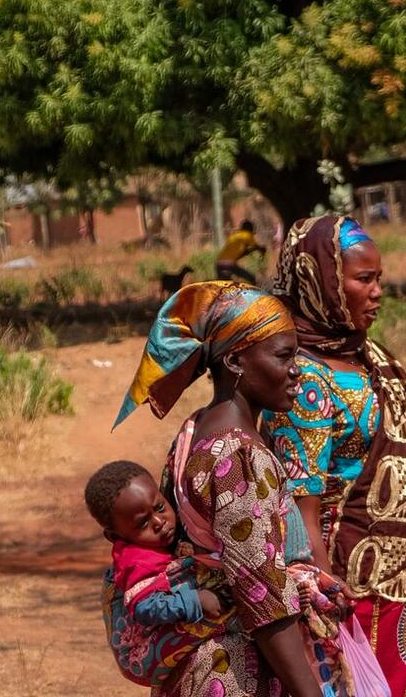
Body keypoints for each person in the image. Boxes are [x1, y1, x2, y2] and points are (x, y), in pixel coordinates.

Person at [264, 214, 406, 697]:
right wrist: (325, 599)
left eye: (380, 279)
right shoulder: (302, 378)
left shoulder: (373, 357)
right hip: (351, 585)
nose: (377, 292)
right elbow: (301, 503)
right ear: (322, 282)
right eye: (363, 279)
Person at [113, 281, 323, 697]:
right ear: (236, 361)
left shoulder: (195, 431)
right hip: (235, 671)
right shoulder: (239, 459)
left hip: (199, 664)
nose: (297, 370)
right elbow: (261, 596)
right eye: (283, 356)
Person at [87, 460, 231, 688]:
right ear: (115, 536)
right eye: (143, 523)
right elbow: (143, 607)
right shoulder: (136, 561)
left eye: (160, 507)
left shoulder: (157, 543)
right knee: (231, 611)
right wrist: (195, 600)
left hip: (153, 650)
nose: (159, 522)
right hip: (141, 656)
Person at [216, 220, 265, 285]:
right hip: (229, 265)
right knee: (251, 279)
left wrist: (248, 251)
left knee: (224, 286)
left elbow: (239, 253)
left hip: (219, 264)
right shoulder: (248, 235)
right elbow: (256, 247)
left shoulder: (235, 236)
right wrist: (262, 250)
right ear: (251, 229)